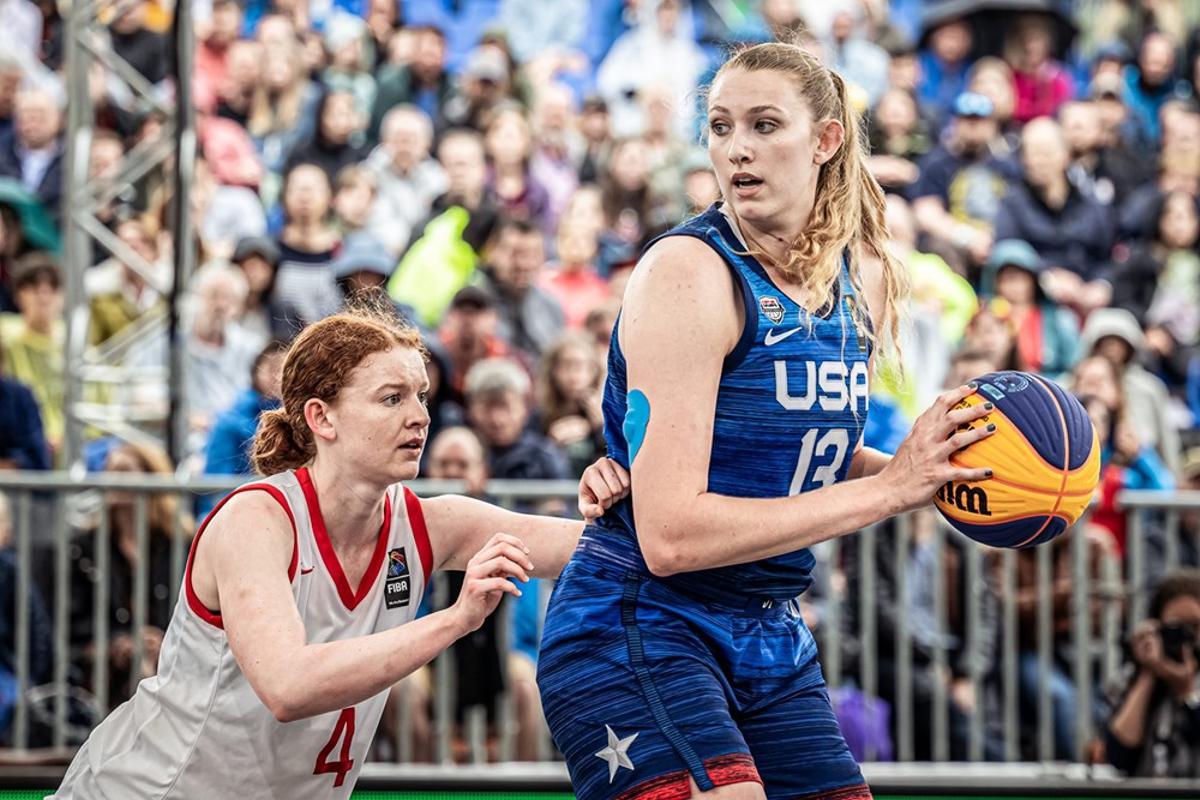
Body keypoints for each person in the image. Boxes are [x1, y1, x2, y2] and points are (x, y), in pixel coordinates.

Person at [536, 41, 996, 800]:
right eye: (720, 127)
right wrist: (888, 494)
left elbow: (800, 454)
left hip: (769, 629)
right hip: (641, 621)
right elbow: (672, 534)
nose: (736, 149)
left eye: (763, 125)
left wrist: (936, 476)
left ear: (825, 140)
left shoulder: (865, 278)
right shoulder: (690, 273)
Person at [51, 299, 630, 798]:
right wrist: (455, 620)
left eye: (422, 396)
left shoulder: (429, 523)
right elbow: (289, 686)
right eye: (391, 398)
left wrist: (616, 480)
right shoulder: (257, 519)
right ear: (321, 417)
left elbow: (616, 552)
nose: (420, 417)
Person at [1106, 568, 1200, 777]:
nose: (1186, 637)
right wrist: (1148, 673)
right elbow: (1119, 755)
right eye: (1175, 627)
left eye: (1195, 626)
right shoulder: (1132, 675)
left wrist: (1187, 694)